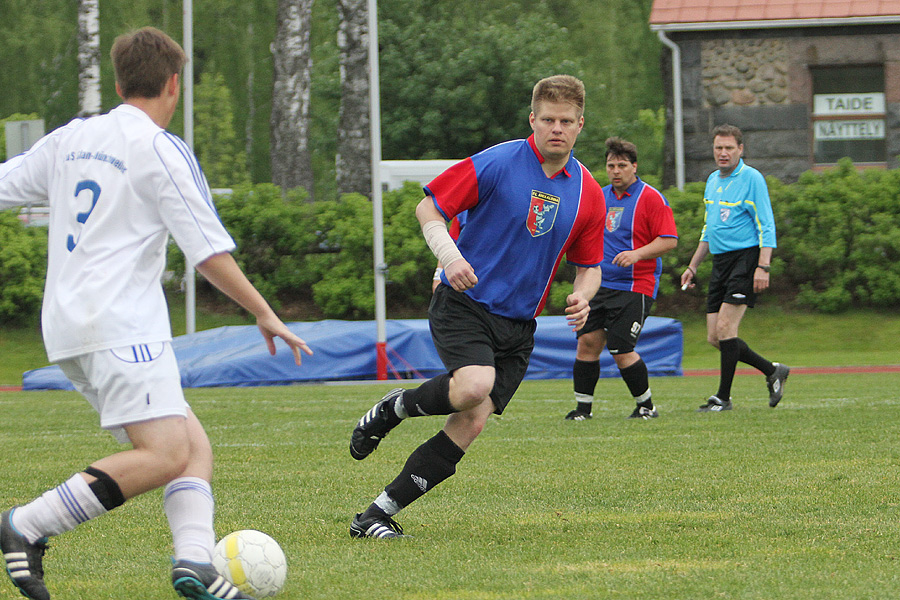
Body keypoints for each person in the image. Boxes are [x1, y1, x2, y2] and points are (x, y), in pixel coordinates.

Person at [0, 27, 311, 600]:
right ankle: (27, 525)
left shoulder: (73, 137)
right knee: (167, 454)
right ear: (174, 84)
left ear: (119, 83)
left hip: (67, 329)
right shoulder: (160, 149)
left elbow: (5, 184)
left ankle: (193, 562)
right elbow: (209, 253)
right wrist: (265, 313)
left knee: (193, 445)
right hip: (120, 326)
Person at [348, 75, 606, 538]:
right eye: (547, 119)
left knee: (471, 421)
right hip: (464, 302)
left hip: (518, 324)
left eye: (566, 121)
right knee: (472, 386)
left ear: (580, 125)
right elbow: (427, 209)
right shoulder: (497, 162)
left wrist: (583, 296)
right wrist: (450, 257)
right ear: (533, 119)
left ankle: (376, 515)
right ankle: (395, 408)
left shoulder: (589, 191)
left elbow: (589, 266)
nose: (556, 129)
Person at [564, 137, 677, 421]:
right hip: (600, 284)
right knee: (587, 343)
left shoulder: (650, 198)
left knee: (620, 348)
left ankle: (646, 406)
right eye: (611, 165)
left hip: (635, 286)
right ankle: (582, 409)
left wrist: (637, 254)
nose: (615, 171)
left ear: (634, 167)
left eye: (622, 165)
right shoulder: (599, 196)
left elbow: (669, 240)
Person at [680, 124, 789, 412]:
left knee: (727, 328)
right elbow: (709, 228)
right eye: (719, 148)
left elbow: (766, 224)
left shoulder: (752, 178)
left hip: (746, 258)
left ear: (741, 150)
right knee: (715, 337)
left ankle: (723, 398)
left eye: (729, 148)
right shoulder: (713, 181)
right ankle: (772, 370)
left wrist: (763, 266)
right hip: (720, 262)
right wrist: (693, 266)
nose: (723, 153)